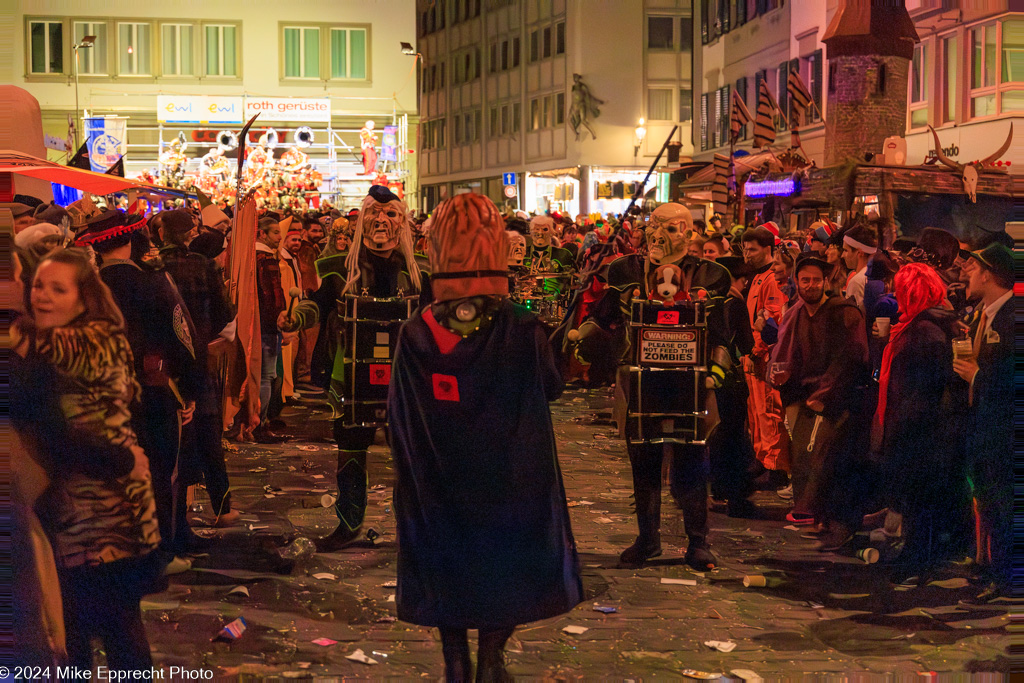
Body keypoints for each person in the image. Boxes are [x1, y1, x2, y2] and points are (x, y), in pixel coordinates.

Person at [389, 193, 582, 682]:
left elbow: (398, 410)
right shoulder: (521, 325)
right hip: (509, 477)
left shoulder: (417, 330)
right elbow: (553, 387)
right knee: (504, 565)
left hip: (439, 477)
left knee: (445, 560)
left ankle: (456, 658)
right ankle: (493, 655)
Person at [13, 249, 162, 672]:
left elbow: (65, 432)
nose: (39, 295)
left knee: (101, 629)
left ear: (83, 299)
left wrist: (123, 459)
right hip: (82, 507)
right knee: (82, 628)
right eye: (37, 284)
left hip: (102, 515)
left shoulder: (84, 341)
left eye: (56, 289)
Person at [602, 203, 731, 570]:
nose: (657, 236)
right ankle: (648, 539)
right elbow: (607, 319)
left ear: (689, 233)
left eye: (670, 229)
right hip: (640, 379)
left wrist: (717, 373)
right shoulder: (623, 270)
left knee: (692, 462)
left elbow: (722, 331)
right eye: (652, 227)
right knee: (643, 463)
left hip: (692, 381)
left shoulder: (712, 274)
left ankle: (698, 541)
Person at [80, 211, 204, 565]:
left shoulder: (84, 288)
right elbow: (183, 336)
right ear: (132, 240)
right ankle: (161, 550)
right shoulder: (152, 282)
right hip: (153, 390)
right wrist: (190, 386)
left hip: (100, 395)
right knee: (160, 472)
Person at [314, 185, 427, 552]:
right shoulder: (333, 268)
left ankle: (415, 529)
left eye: (390, 214)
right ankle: (348, 524)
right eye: (373, 214)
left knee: (410, 453)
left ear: (403, 222)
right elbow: (315, 305)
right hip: (350, 376)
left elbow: (435, 320)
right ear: (360, 221)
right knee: (349, 449)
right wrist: (294, 318)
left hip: (406, 378)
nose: (381, 221)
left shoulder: (421, 272)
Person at [768, 255, 869, 549]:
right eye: (805, 279)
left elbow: (851, 356)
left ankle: (837, 525)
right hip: (802, 396)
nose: (810, 285)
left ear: (825, 281)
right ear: (796, 282)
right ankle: (818, 520)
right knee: (805, 460)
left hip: (836, 399)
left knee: (830, 461)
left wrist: (825, 395)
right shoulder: (796, 312)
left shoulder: (844, 312)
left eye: (815, 279)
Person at [873, 263, 964, 585]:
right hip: (922, 424)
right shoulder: (924, 326)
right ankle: (914, 551)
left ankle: (917, 557)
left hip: (921, 428)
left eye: (900, 291)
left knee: (918, 495)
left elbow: (924, 386)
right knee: (917, 494)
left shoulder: (924, 332)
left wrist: (903, 427)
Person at [157, 210, 238, 526]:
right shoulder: (203, 266)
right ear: (189, 232)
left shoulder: (152, 268)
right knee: (207, 432)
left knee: (173, 437)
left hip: (163, 361)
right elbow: (223, 313)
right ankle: (222, 506)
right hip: (196, 358)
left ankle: (177, 514)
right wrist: (200, 334)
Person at [953, 243, 1014, 602]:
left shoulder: (1012, 318)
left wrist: (978, 377)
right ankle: (991, 566)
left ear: (989, 274)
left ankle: (1007, 577)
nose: (966, 274)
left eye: (973, 269)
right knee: (987, 498)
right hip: (980, 424)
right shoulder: (981, 315)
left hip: (1003, 429)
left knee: (1004, 500)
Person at [706, 256, 759, 518]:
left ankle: (714, 489)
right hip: (730, 379)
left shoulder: (707, 302)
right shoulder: (735, 303)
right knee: (735, 437)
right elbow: (747, 344)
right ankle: (737, 497)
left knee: (714, 434)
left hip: (707, 377)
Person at [740, 226, 789, 482]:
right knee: (756, 412)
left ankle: (775, 467)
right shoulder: (756, 276)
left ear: (767, 249)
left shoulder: (771, 278)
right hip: (752, 354)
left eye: (752, 250)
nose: (747, 255)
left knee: (769, 412)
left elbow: (770, 316)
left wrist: (758, 350)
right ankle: (762, 458)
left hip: (765, 356)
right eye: (745, 249)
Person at [254, 216, 288, 443]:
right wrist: (281, 321)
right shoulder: (265, 259)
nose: (280, 236)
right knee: (267, 376)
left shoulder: (252, 257)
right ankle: (260, 423)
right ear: (262, 234)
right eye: (275, 232)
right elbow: (272, 296)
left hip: (257, 323)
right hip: (267, 325)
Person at [841, 224, 877, 309]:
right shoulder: (876, 273)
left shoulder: (857, 281)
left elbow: (854, 317)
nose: (842, 255)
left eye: (846, 250)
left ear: (859, 253)